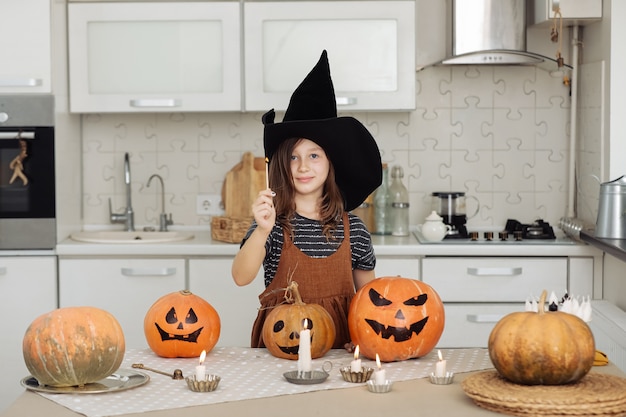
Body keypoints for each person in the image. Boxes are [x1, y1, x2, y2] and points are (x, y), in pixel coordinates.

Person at [231, 50, 382, 349]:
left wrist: (368, 337)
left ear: (330, 164)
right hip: (281, 348)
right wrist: (261, 230)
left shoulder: (355, 230)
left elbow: (369, 298)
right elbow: (240, 277)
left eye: (314, 155)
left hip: (340, 352)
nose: (302, 166)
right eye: (293, 157)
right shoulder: (272, 225)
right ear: (281, 166)